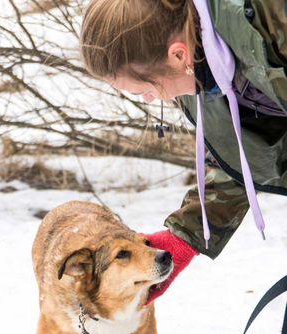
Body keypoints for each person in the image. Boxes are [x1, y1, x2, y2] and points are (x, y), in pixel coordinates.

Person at [79, 0, 287, 305]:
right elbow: (243, 151)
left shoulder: (274, 23)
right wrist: (184, 236)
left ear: (178, 54)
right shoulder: (200, 69)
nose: (150, 99)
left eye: (142, 91)